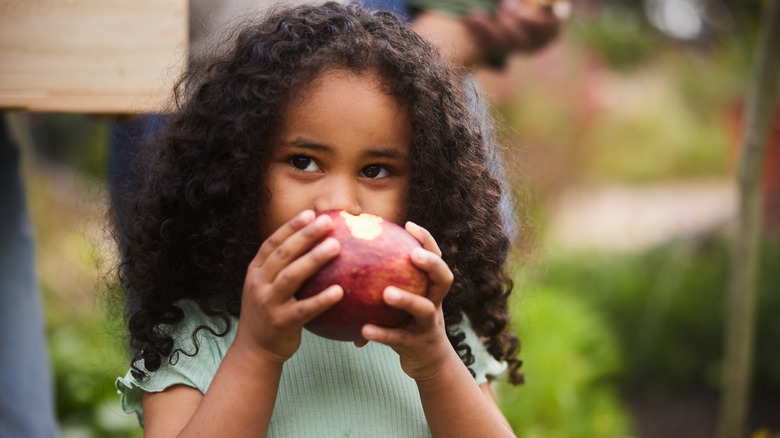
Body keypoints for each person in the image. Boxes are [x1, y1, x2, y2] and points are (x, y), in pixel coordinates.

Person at [112, 2, 525, 436]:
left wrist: (436, 361)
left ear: (425, 186)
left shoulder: (432, 327)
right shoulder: (195, 334)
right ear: (239, 171)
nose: (340, 202)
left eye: (375, 170)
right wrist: (258, 349)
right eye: (304, 162)